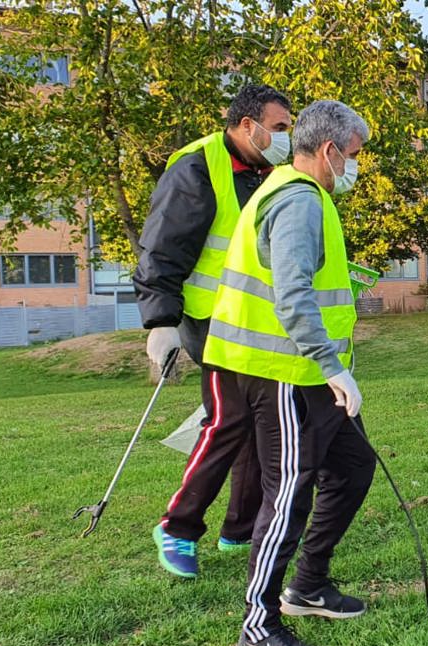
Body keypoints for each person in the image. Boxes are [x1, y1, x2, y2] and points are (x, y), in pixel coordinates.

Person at [201, 100, 375, 646]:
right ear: (329, 151)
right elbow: (293, 295)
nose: (355, 167)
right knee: (287, 496)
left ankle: (308, 586)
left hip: (304, 374)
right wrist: (332, 365)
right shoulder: (299, 199)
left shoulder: (294, 193)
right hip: (285, 375)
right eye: (353, 156)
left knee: (352, 466)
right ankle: (259, 626)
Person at [134, 84, 293, 578]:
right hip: (209, 322)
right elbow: (163, 247)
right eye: (281, 128)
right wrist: (161, 322)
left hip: (254, 321)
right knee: (227, 421)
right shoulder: (198, 168)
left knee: (257, 423)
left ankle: (239, 529)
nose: (287, 137)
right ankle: (177, 528)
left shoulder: (269, 172)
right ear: (248, 125)